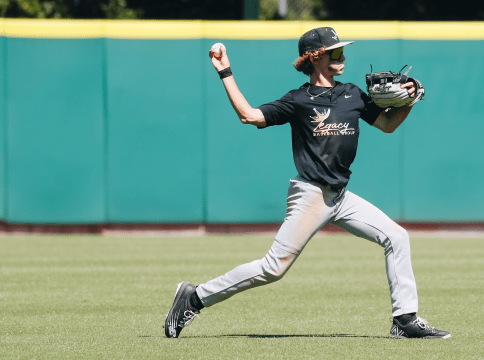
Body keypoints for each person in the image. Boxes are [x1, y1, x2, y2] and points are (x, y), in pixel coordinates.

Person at [164, 27, 450, 340]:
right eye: (335, 51)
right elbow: (249, 115)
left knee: (397, 237)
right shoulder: (298, 101)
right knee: (273, 268)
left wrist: (408, 100)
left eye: (342, 51)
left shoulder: (352, 94)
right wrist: (225, 71)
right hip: (311, 196)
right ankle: (194, 298)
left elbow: (387, 124)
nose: (342, 56)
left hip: (340, 197)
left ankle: (405, 320)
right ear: (315, 58)